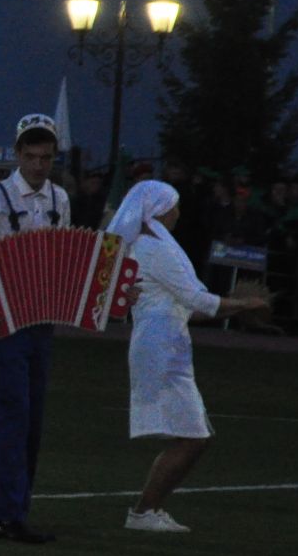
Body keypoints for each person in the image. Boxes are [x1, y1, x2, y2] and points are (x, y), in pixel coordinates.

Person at [110, 180, 264, 532]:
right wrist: (243, 304)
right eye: (174, 206)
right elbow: (197, 300)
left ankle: (146, 511)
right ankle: (143, 512)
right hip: (162, 348)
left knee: (193, 436)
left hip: (164, 343)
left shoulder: (148, 244)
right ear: (161, 209)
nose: (178, 213)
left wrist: (234, 309)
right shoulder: (154, 248)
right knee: (195, 437)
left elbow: (189, 306)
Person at [0, 112, 69, 544]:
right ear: (18, 153)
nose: (39, 165)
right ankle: (4, 514)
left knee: (32, 420)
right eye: (31, 156)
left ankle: (16, 509)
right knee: (13, 415)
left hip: (41, 319)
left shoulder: (60, 198)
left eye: (46, 157)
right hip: (4, 319)